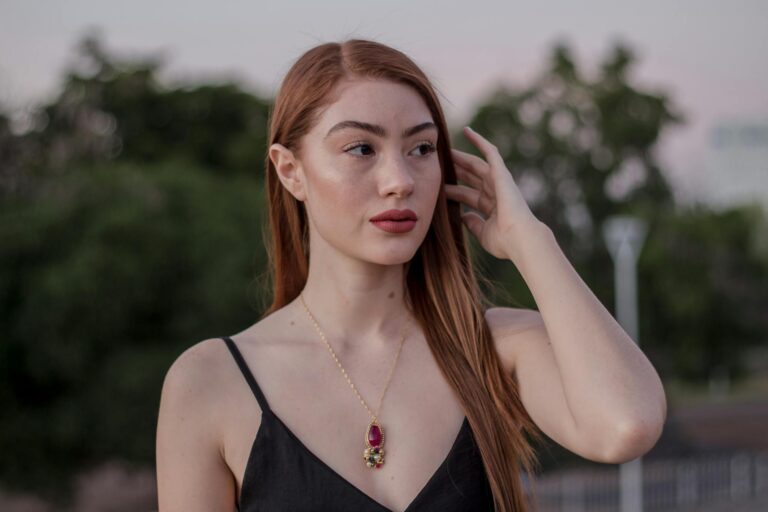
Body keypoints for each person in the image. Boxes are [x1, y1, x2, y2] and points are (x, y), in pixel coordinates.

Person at [156, 39, 667, 512]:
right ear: (291, 171)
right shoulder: (210, 382)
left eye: (421, 149)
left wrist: (531, 241)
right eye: (361, 149)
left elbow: (626, 427)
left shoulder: (493, 346)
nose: (400, 181)